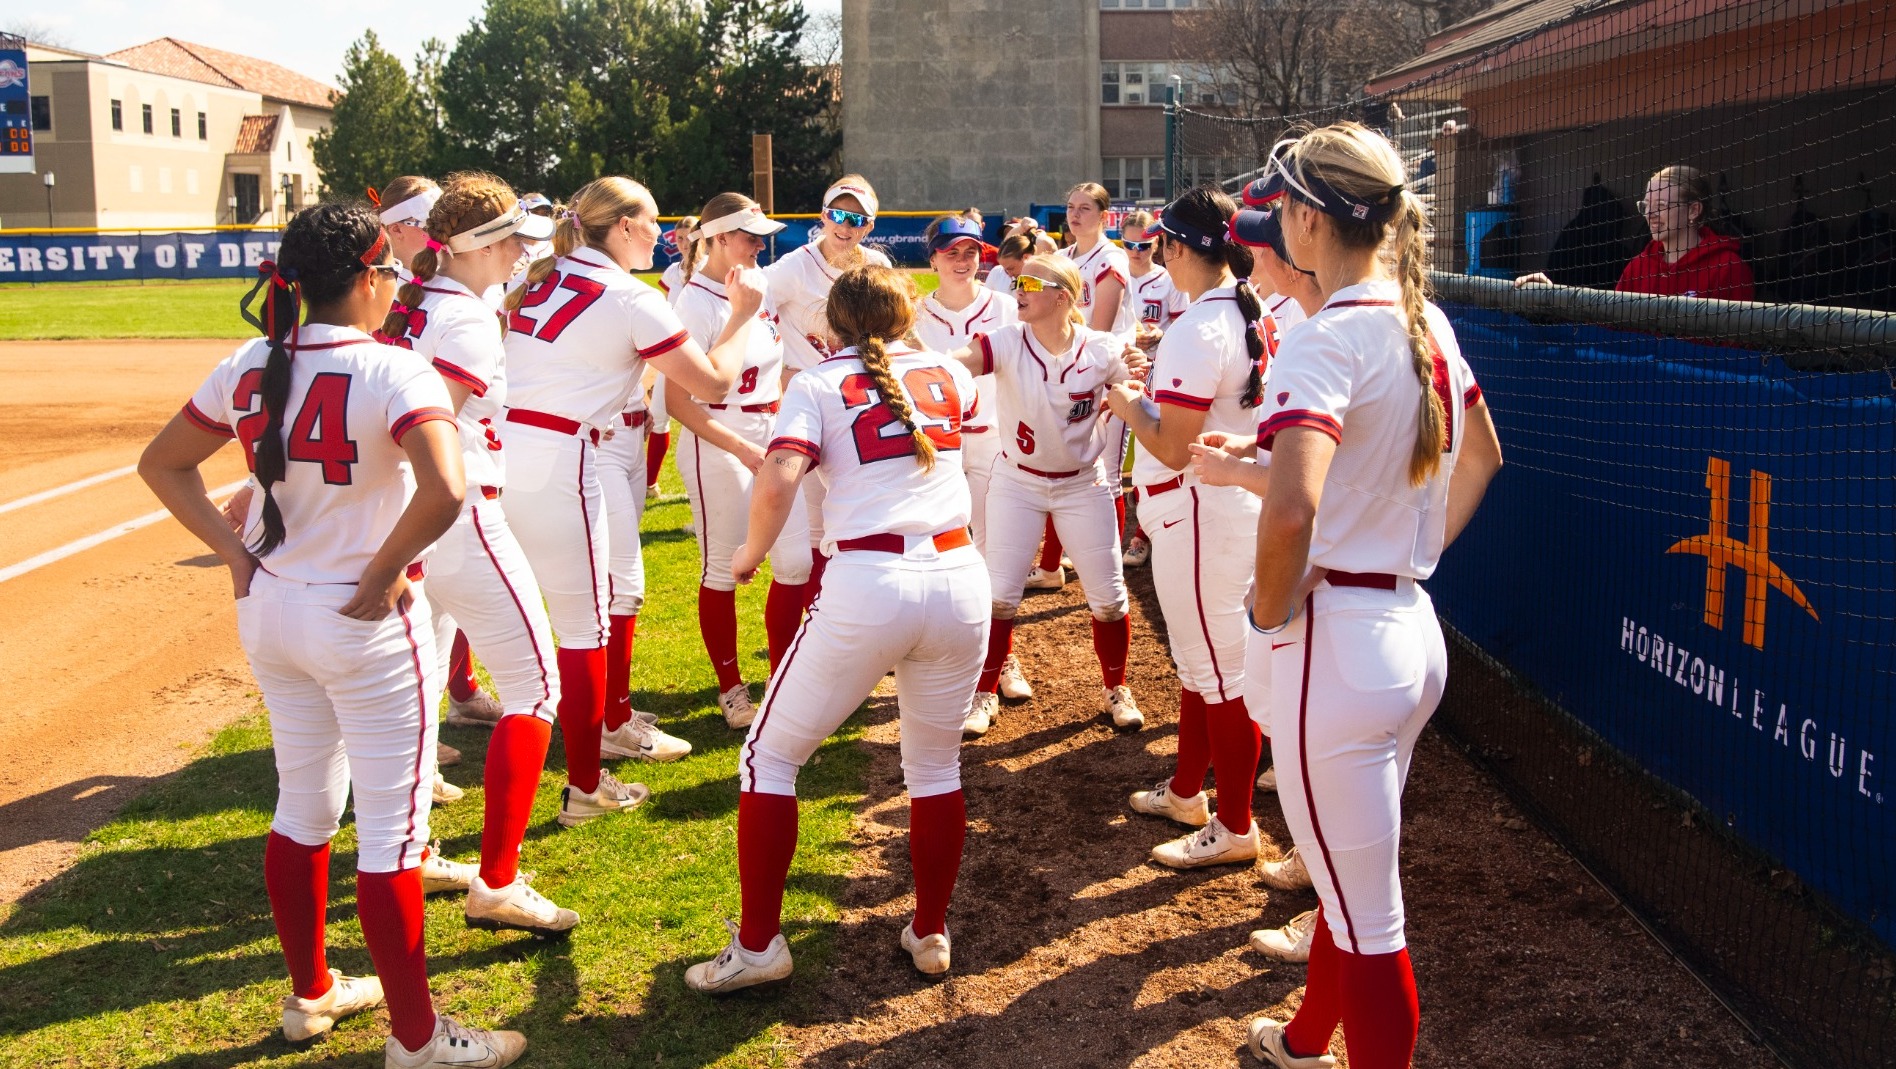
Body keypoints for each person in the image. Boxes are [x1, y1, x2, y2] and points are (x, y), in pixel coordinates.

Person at [139, 201, 527, 1067]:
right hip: (362, 621)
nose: (394, 282)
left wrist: (231, 553)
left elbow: (161, 463)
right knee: (390, 832)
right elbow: (447, 490)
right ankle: (419, 1040)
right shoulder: (396, 369)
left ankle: (312, 992)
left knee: (303, 809)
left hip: (273, 607)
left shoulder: (249, 360)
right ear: (364, 276)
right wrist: (388, 567)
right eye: (388, 270)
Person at [1194, 124, 1502, 1069]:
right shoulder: (1424, 319)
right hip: (1407, 627)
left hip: (1339, 644)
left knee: (1371, 916)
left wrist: (1267, 615)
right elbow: (1483, 457)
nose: (1278, 222)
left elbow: (1291, 513)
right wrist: (1399, 556)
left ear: (1308, 217)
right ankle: (1301, 1038)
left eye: (1285, 205)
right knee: (1346, 882)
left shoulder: (1329, 335)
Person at [685, 264, 985, 992]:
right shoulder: (948, 369)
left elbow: (783, 471)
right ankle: (931, 928)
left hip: (871, 579)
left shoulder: (817, 382)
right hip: (957, 571)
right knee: (936, 769)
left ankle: (758, 947)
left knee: (768, 758)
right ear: (906, 312)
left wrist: (751, 553)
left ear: (835, 322)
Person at [375, 173, 603, 937]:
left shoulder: (419, 298)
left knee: (423, 689)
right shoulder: (465, 318)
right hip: (456, 512)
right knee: (535, 690)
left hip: (415, 519)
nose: (519, 255)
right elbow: (415, 432)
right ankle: (498, 880)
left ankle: (420, 847)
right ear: (481, 245)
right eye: (511, 242)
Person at [501, 176, 760, 828]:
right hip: (566, 457)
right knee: (584, 631)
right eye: (649, 220)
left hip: (505, 452)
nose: (660, 231)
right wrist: (740, 318)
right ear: (621, 227)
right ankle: (585, 787)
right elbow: (713, 378)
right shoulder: (627, 294)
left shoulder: (540, 275)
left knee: (530, 626)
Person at [1106, 187, 1272, 871]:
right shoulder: (1247, 305)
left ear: (1177, 246)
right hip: (1223, 501)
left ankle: (1234, 823)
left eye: (1158, 243)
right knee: (1204, 664)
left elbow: (1173, 445)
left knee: (1220, 671)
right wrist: (1153, 397)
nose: (1153, 253)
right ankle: (1186, 791)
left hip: (1201, 502)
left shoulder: (1201, 323)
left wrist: (1124, 400)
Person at [943, 255, 1142, 737]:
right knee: (999, 597)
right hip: (1017, 481)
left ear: (1064, 296)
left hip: (1082, 482)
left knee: (1110, 599)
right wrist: (922, 363)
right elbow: (960, 362)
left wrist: (1136, 372)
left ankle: (1116, 687)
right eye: (1016, 280)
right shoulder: (1009, 340)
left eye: (1031, 282)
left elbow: (1132, 381)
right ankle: (985, 691)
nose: (1019, 289)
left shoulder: (1101, 347)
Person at [669, 193, 814, 725]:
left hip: (771, 429)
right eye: (750, 236)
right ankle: (731, 687)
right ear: (720, 238)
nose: (760, 244)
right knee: (722, 569)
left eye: (760, 236)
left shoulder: (757, 286)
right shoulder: (694, 300)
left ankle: (782, 677)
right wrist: (743, 448)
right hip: (719, 438)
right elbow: (677, 401)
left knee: (797, 562)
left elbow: (774, 367)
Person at [913, 212, 1031, 704]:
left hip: (990, 439)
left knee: (990, 551)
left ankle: (1000, 658)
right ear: (933, 257)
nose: (961, 261)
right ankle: (937, 649)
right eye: (950, 251)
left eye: (970, 252)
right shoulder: (914, 311)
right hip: (933, 449)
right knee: (933, 548)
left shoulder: (1004, 305)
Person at [765, 175, 892, 604]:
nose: (845, 224)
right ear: (823, 216)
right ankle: (823, 622)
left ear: (869, 226)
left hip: (865, 405)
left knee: (870, 516)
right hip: (814, 407)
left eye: (856, 218)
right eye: (837, 213)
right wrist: (779, 366)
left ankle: (864, 616)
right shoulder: (794, 266)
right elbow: (751, 307)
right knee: (819, 527)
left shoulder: (877, 265)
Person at [1516, 164, 1754, 300]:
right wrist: (1553, 295)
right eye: (1647, 206)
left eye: (1661, 207)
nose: (1650, 215)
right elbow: (1610, 329)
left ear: (1693, 210)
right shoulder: (1638, 268)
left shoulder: (1728, 268)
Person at [1118, 208, 1188, 568]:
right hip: (1118, 369)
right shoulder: (1113, 274)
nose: (1136, 251)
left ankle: (1141, 535)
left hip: (1159, 369)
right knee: (1111, 457)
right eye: (1129, 244)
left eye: (1144, 245)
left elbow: (1181, 324)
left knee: (1152, 450)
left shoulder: (1167, 279)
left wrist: (1160, 333)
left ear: (1156, 243)